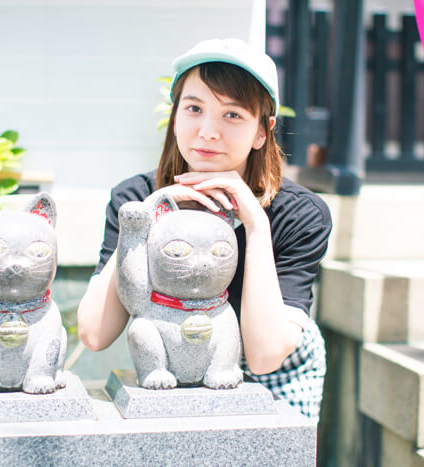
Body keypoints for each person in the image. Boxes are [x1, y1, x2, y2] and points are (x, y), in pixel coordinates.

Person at [77, 38, 332, 421]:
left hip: (278, 373)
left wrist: (257, 226)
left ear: (263, 131)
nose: (208, 131)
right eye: (194, 108)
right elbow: (95, 335)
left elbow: (265, 356)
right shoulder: (136, 197)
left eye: (233, 115)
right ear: (175, 116)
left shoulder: (299, 214)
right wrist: (142, 221)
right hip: (172, 365)